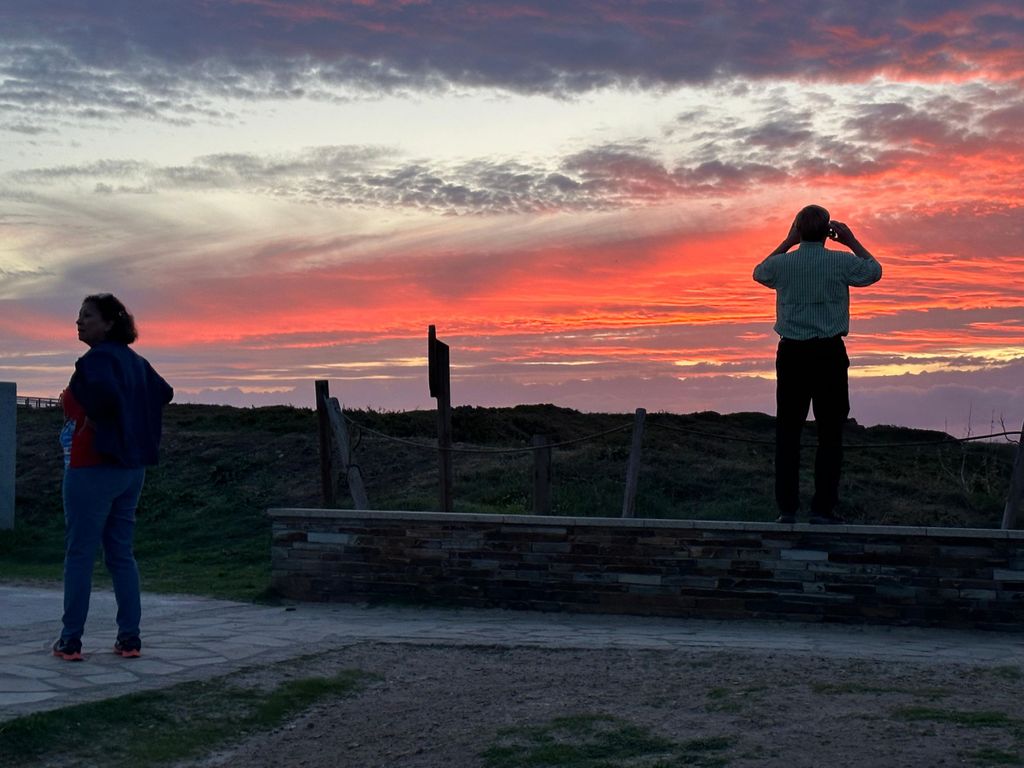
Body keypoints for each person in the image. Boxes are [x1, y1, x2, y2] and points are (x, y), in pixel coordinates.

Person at [52, 294, 173, 661]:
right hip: (130, 470)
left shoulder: (95, 360)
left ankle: (71, 641)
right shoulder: (137, 362)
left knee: (80, 554)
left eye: (87, 316)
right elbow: (163, 393)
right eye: (79, 315)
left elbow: (100, 398)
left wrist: (98, 417)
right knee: (120, 553)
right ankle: (129, 639)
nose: (79, 322)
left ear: (109, 323)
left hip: (92, 466)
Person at [753, 205, 882, 524]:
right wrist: (851, 240)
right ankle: (822, 509)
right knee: (830, 434)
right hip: (829, 354)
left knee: (788, 433)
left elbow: (760, 272)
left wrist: (787, 241)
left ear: (798, 230)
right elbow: (873, 270)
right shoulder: (840, 262)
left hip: (792, 355)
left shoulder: (783, 265)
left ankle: (787, 509)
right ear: (828, 232)